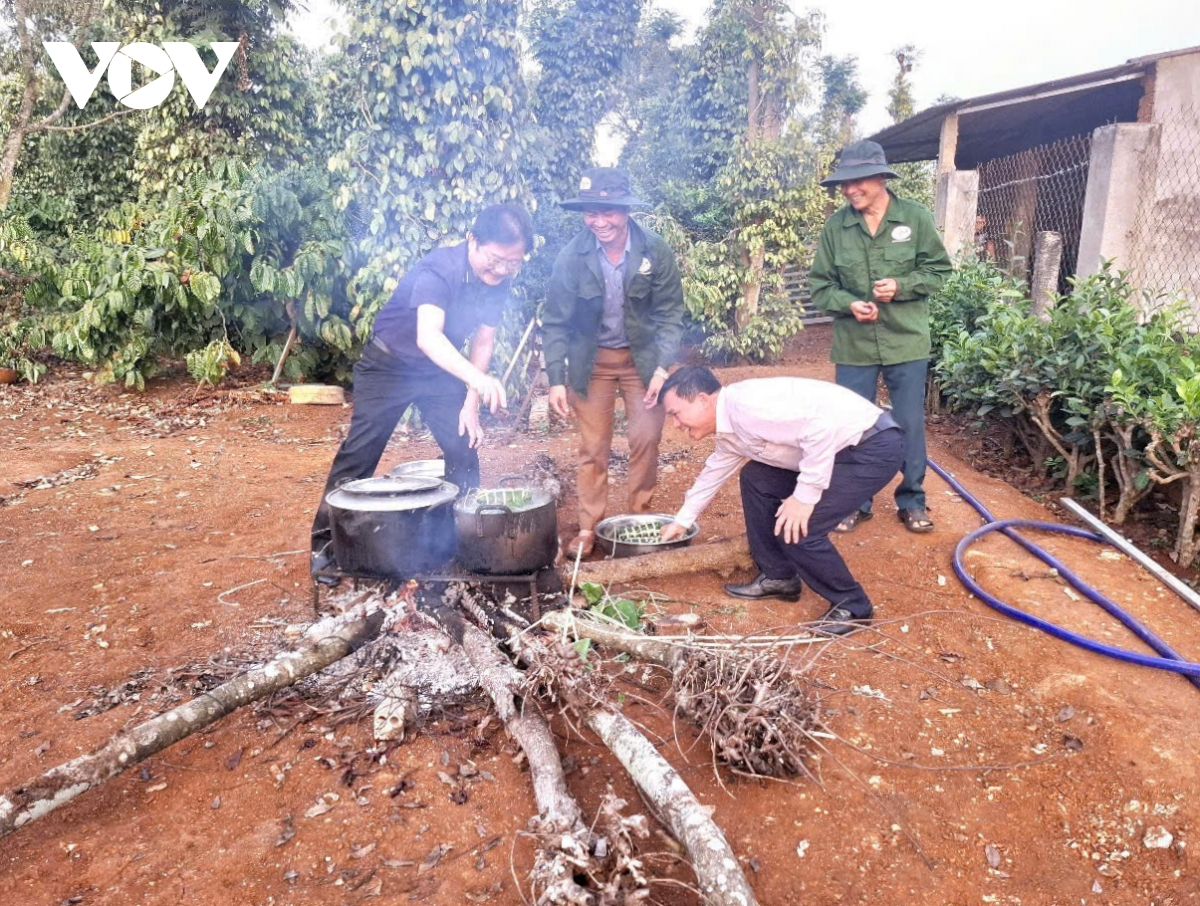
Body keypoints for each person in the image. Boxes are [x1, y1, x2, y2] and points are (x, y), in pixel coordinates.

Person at [310, 203, 535, 580]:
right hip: (388, 365)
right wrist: (477, 380)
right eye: (496, 260)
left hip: (437, 372)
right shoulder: (439, 269)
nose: (502, 271)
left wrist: (471, 402)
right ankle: (325, 546)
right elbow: (428, 337)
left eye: (513, 263)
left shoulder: (501, 279)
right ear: (472, 240)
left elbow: (484, 340)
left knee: (464, 444)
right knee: (360, 453)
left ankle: (461, 539)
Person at [658, 366, 904, 635]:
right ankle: (779, 577)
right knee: (756, 477)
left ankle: (855, 606)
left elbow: (820, 428)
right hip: (834, 452)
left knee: (799, 527)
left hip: (870, 447)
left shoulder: (747, 407)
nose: (675, 424)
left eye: (676, 414)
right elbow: (714, 471)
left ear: (703, 400)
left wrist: (804, 497)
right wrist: (683, 520)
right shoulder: (729, 427)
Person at [808, 140, 952, 535]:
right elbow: (820, 286)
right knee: (852, 424)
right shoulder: (837, 227)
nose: (850, 190)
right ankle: (855, 501)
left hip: (906, 340)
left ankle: (912, 499)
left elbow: (939, 271)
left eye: (857, 181)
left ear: (881, 178)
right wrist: (850, 304)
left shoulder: (915, 218)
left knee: (907, 422)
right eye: (844, 184)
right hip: (854, 344)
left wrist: (902, 285)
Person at [542, 167, 686, 557]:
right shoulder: (571, 257)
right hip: (592, 366)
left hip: (644, 362)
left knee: (645, 438)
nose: (599, 222)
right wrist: (557, 379)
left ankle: (640, 518)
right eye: (591, 212)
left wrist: (661, 369)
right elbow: (555, 321)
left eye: (608, 212)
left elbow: (671, 314)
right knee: (593, 447)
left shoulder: (655, 250)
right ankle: (589, 527)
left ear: (625, 211)